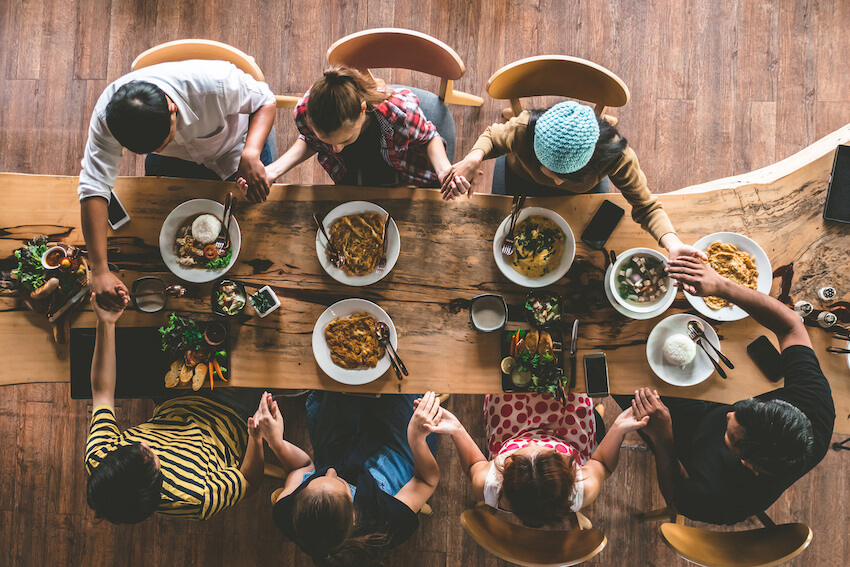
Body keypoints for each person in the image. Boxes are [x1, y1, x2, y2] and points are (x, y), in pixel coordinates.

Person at [617, 255, 835, 525]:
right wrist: (722, 286)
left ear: (748, 464)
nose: (729, 415)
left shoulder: (727, 500)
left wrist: (663, 440)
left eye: (731, 435)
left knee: (620, 383)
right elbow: (792, 325)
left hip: (678, 439)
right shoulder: (815, 406)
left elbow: (675, 501)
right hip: (700, 407)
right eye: (748, 407)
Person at [79, 60, 277, 311]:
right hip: (177, 159)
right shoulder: (108, 116)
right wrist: (98, 269)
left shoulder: (214, 83)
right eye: (151, 149)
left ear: (172, 108)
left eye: (163, 141)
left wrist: (251, 153)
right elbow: (93, 185)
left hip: (236, 144)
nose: (158, 149)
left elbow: (266, 99)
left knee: (259, 206)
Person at [83, 293, 269, 523]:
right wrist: (256, 437)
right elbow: (249, 481)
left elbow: (101, 392)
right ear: (156, 480)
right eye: (148, 454)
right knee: (264, 347)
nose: (143, 442)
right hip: (232, 412)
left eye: (131, 446)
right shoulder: (195, 497)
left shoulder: (101, 460)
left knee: (165, 323)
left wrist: (105, 323)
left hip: (172, 402)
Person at [441, 101, 702, 261]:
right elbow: (493, 136)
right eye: (547, 169)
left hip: (578, 198)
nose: (554, 183)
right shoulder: (523, 128)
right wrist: (474, 158)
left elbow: (646, 206)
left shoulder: (615, 155)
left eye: (565, 176)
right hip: (519, 181)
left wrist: (673, 244)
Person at [267, 391, 441, 566]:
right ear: (354, 514)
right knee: (407, 385)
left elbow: (300, 468)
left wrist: (276, 442)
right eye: (340, 483)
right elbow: (426, 481)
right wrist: (417, 438)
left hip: (337, 449)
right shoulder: (389, 523)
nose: (330, 472)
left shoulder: (286, 513)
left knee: (338, 382)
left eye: (315, 479)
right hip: (398, 451)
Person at [425, 391, 648, 527]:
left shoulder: (489, 484)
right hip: (568, 435)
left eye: (517, 455)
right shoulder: (583, 488)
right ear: (568, 472)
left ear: (505, 473)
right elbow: (602, 465)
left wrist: (457, 430)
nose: (533, 442)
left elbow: (474, 464)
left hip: (511, 430)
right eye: (548, 451)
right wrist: (618, 428)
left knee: (502, 390)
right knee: (577, 393)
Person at [257, 66, 459, 191]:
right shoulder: (306, 112)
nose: (335, 150)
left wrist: (444, 171)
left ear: (363, 109)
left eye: (344, 140)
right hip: (350, 173)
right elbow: (309, 141)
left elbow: (429, 137)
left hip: (403, 169)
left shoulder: (401, 113)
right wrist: (272, 171)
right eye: (327, 142)